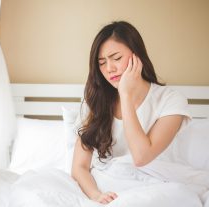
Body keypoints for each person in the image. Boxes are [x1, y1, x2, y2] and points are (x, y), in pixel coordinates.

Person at [71, 21, 190, 204]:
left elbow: (141, 157)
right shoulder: (95, 101)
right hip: (106, 186)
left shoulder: (171, 100)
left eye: (116, 58)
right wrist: (96, 195)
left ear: (137, 56)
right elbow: (79, 167)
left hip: (155, 185)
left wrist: (125, 94)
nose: (109, 68)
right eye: (102, 63)